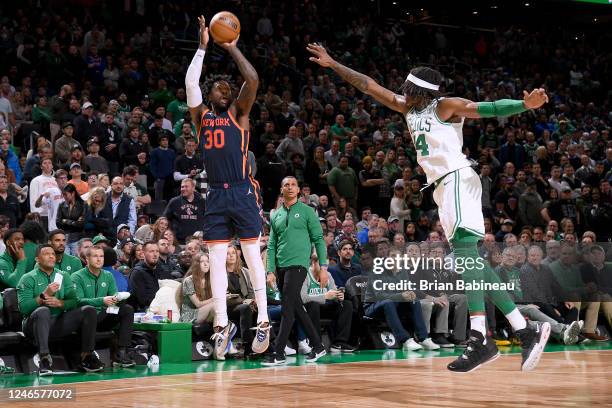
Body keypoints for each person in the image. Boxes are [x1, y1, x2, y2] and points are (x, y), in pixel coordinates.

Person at [307, 43, 550, 372]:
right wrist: (333, 63)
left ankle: (486, 337)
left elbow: (487, 108)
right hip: (441, 187)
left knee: (466, 257)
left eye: (409, 89)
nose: (403, 93)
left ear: (423, 90)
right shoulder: (409, 108)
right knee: (473, 262)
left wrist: (524, 104)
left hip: (457, 179)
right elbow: (368, 85)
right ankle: (519, 330)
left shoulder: (445, 106)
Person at [185, 15, 269, 359]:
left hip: (241, 189)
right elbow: (191, 83)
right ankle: (221, 324)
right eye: (221, 88)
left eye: (228, 89)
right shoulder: (201, 117)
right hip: (216, 194)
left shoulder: (240, 112)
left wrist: (233, 49)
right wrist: (203, 48)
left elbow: (252, 78)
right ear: (210, 94)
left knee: (251, 255)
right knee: (216, 259)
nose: (228, 90)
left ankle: (263, 319)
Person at [262, 176, 328, 366]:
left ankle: (279, 352)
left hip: (298, 265)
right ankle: (318, 346)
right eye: (286, 185)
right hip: (280, 266)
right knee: (296, 307)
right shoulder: (275, 215)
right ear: (281, 190)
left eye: (293, 185)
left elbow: (319, 240)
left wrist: (323, 267)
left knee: (287, 308)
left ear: (299, 190)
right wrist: (270, 270)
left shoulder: (308, 212)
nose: (289, 188)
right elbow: (272, 244)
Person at [17, 244, 104, 375]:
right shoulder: (28, 278)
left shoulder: (63, 276)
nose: (52, 256)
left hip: (57, 322)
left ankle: (87, 356)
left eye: (53, 254)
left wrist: (60, 303)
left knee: (88, 310)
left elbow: (74, 302)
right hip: (33, 326)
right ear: (37, 259)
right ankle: (44, 359)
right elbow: (23, 308)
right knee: (43, 311)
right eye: (47, 254)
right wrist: (43, 296)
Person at [72, 245, 136, 367]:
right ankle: (87, 357)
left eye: (101, 256)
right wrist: (101, 301)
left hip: (102, 315)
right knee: (89, 310)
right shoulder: (77, 276)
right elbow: (77, 301)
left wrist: (119, 298)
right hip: (84, 319)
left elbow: (113, 296)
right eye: (95, 256)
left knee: (127, 310)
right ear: (87, 259)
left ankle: (121, 353)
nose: (99, 259)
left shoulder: (108, 275)